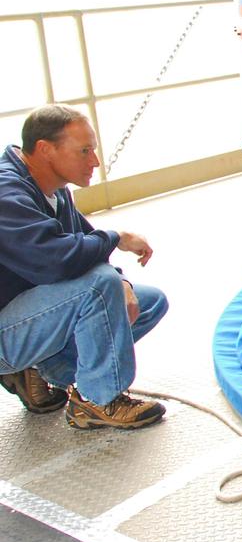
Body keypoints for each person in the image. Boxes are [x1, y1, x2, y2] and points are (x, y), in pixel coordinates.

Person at [0, 104, 167, 429]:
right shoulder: (6, 195)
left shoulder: (54, 189)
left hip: (31, 311)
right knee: (98, 287)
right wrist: (118, 237)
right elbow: (55, 261)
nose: (94, 161)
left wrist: (122, 282)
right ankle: (98, 400)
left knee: (146, 301)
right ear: (46, 150)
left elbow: (85, 244)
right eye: (84, 151)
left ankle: (55, 371)